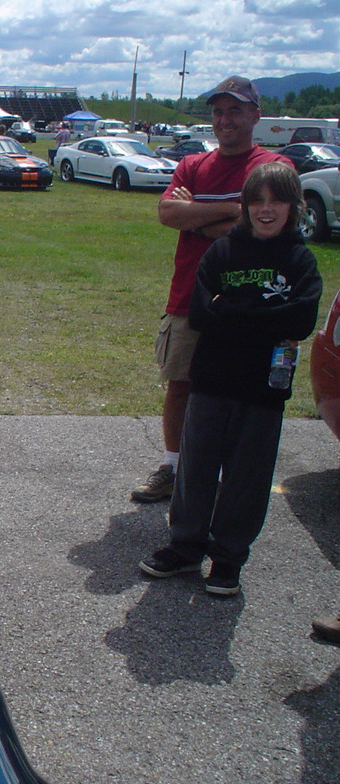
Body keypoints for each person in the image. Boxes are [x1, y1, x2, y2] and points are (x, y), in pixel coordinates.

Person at [138, 162, 322, 596]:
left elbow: (300, 319)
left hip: (264, 391)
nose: (265, 209)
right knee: (196, 469)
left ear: (293, 207)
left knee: (247, 478)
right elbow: (203, 314)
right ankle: (184, 549)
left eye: (276, 200)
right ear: (243, 206)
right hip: (211, 383)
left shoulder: (299, 260)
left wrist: (233, 310)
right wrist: (262, 318)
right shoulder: (221, 254)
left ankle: (227, 559)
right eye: (256, 200)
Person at [131, 76, 294, 503]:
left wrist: (197, 213)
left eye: (235, 110)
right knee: (180, 383)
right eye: (219, 111)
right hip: (190, 295)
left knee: (239, 388)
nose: (225, 119)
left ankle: (225, 477)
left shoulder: (272, 167)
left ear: (255, 115)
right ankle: (172, 465)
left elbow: (269, 224)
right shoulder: (193, 165)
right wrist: (237, 208)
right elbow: (168, 213)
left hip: (250, 301)